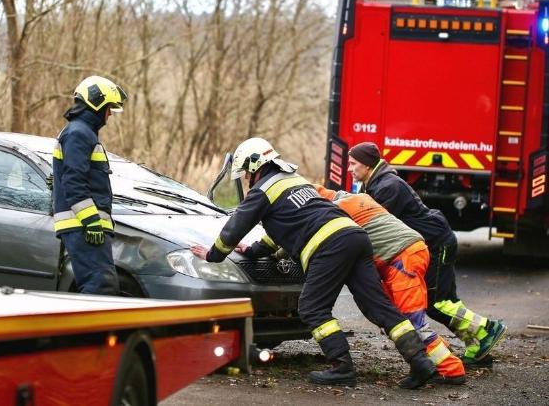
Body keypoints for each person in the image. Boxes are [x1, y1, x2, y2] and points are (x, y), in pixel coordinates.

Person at [191, 137, 435, 388]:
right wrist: (253, 250)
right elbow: (284, 229)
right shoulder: (294, 180)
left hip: (330, 245)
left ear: (255, 165)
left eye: (245, 172)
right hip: (355, 237)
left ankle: (342, 367)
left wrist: (212, 255)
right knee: (378, 306)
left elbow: (234, 229)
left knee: (311, 307)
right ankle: (420, 362)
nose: (245, 178)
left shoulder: (262, 190)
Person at [348, 142, 507, 366]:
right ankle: (478, 341)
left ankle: (487, 329)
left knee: (437, 302)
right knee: (444, 301)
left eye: (353, 163)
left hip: (436, 243)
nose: (349, 168)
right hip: (431, 241)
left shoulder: (387, 187)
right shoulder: (375, 184)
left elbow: (375, 226)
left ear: (366, 165)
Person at [314, 186, 466, 384]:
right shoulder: (358, 198)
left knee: (411, 323)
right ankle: (435, 360)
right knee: (407, 319)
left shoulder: (337, 210)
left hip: (401, 260)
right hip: (410, 253)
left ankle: (451, 370)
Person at [51, 75, 127, 295]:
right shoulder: (79, 133)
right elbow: (73, 181)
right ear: (97, 104)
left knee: (100, 285)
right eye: (109, 108)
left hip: (80, 226)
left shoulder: (79, 132)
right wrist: (91, 220)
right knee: (100, 287)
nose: (110, 114)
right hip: (83, 226)